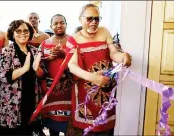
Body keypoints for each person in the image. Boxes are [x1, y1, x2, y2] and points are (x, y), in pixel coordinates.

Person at [66, 4, 132, 136]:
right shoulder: (73, 40)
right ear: (80, 19)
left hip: (105, 91)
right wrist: (94, 78)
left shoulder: (105, 32)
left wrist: (122, 57)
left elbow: (113, 53)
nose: (94, 23)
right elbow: (72, 66)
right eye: (89, 18)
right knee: (83, 129)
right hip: (85, 94)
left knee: (104, 128)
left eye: (97, 19)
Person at [0, 19, 46, 136]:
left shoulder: (35, 51)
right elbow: (1, 76)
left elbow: (43, 74)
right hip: (12, 104)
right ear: (12, 34)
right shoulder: (6, 51)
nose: (22, 33)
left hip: (32, 100)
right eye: (18, 31)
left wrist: (36, 69)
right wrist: (24, 69)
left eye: (25, 30)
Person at [39, 14, 72, 136]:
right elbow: (40, 65)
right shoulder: (44, 44)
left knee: (69, 128)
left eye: (62, 22)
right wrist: (49, 58)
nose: (59, 25)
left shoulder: (73, 41)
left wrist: (64, 54)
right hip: (51, 92)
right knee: (53, 128)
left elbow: (80, 62)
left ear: (66, 24)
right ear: (51, 26)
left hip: (69, 92)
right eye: (55, 23)